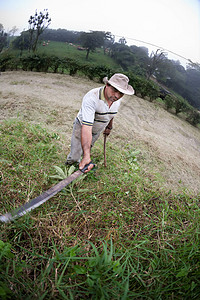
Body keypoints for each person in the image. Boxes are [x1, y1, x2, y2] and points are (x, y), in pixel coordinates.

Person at [66, 73, 135, 172]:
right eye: (115, 90)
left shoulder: (117, 100)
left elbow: (111, 114)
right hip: (83, 127)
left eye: (121, 93)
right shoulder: (92, 98)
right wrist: (87, 156)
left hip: (96, 130)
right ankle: (67, 168)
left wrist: (109, 126)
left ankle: (80, 165)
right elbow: (86, 127)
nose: (117, 96)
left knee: (85, 150)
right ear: (107, 85)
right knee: (75, 156)